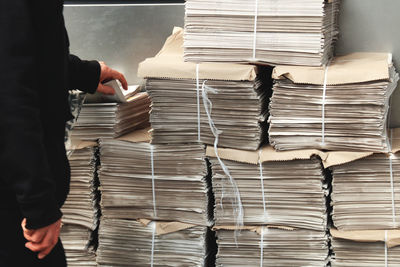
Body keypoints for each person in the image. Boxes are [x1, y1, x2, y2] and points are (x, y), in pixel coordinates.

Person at [0, 1, 128, 266]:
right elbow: (10, 97)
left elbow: (24, 52)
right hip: (13, 203)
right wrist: (39, 207)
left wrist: (83, 72)